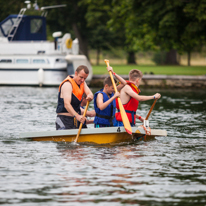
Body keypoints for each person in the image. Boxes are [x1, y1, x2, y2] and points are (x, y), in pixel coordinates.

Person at [56, 65, 93, 130]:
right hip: (64, 120)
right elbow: (67, 104)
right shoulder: (67, 84)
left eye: (85, 78)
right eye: (81, 77)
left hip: (76, 120)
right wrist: (78, 116)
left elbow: (90, 93)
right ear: (76, 73)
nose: (82, 80)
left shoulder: (83, 83)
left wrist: (90, 96)